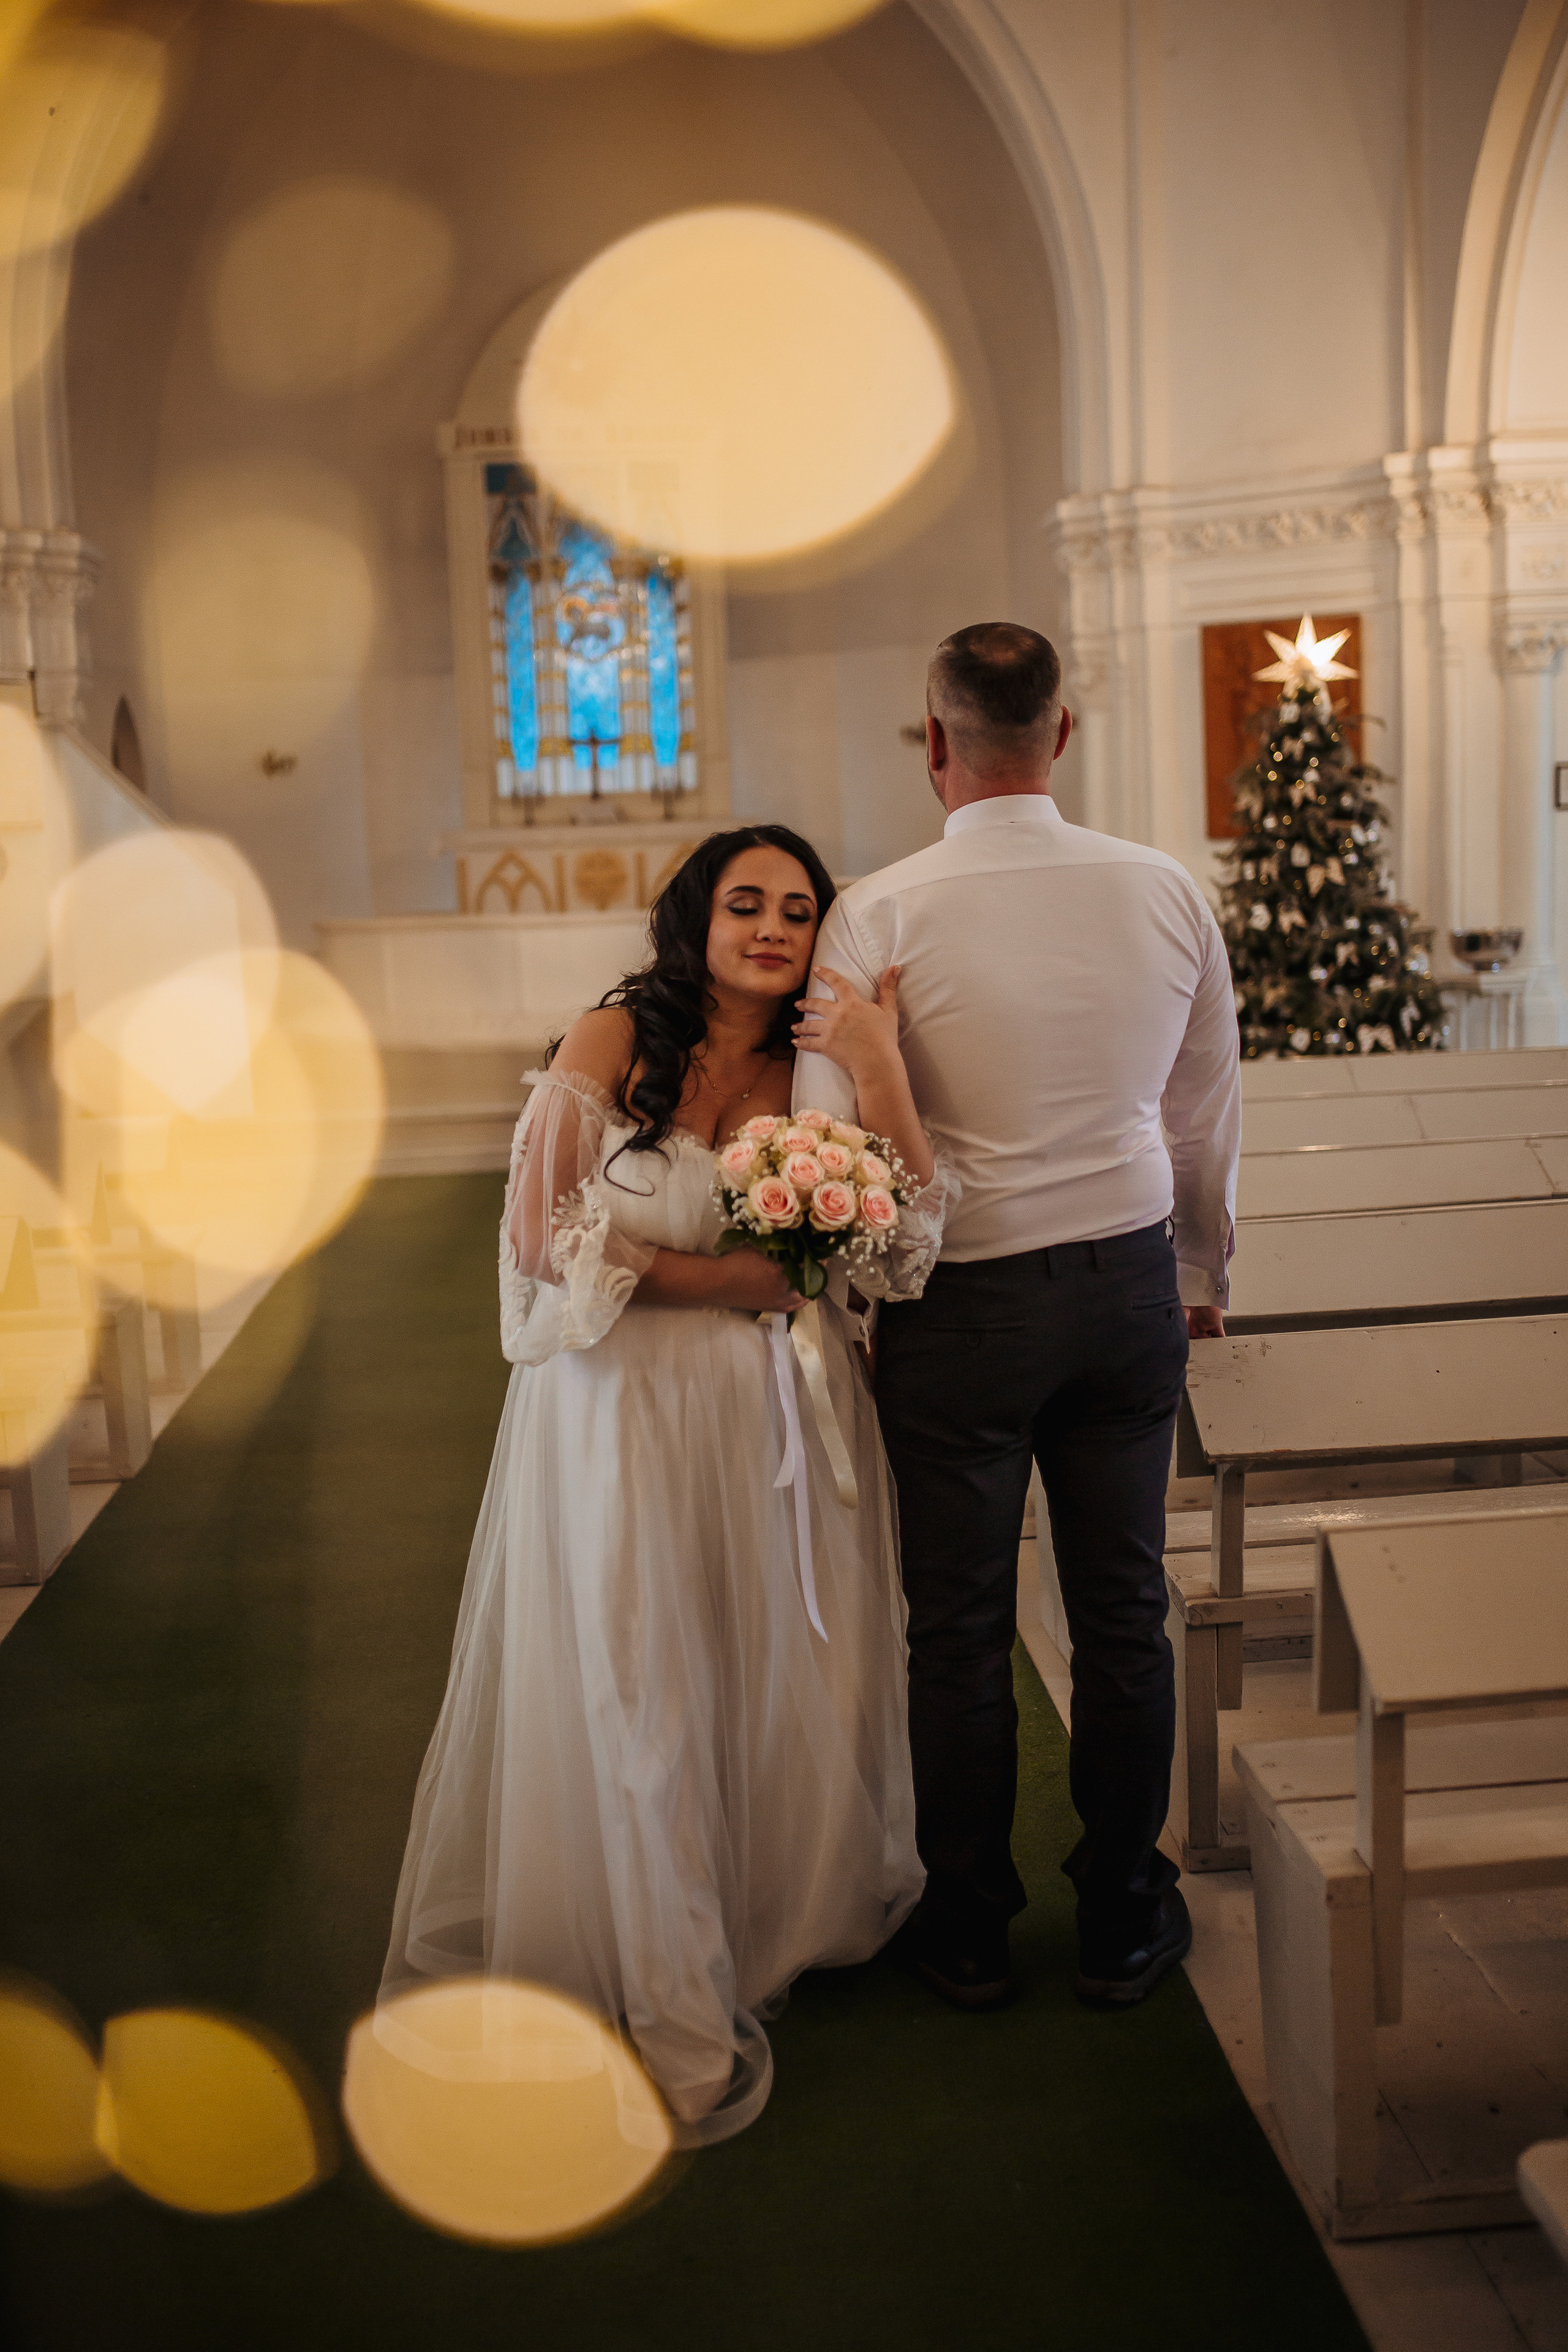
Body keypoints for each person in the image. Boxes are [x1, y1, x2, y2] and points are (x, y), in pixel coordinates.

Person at [382, 823, 955, 2143]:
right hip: (616, 1415)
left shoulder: (816, 1065)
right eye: (743, 901)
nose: (769, 926)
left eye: (797, 910)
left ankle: (771, 1910)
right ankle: (673, 1987)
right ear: (695, 916)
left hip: (769, 1417)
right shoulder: (612, 1040)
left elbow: (906, 1241)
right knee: (638, 1675)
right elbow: (540, 1238)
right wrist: (738, 1282)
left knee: (764, 1664)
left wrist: (876, 1064)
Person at [793, 624, 1241, 2013]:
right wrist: (1198, 1270)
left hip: (958, 1308)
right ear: (1062, 733)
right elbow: (1201, 1112)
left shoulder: (876, 913)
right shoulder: (1163, 888)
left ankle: (971, 1925)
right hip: (1121, 1294)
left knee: (959, 1628)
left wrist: (867, 1301)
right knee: (1118, 1616)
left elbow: (830, 1138)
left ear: (932, 743)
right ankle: (1118, 1918)